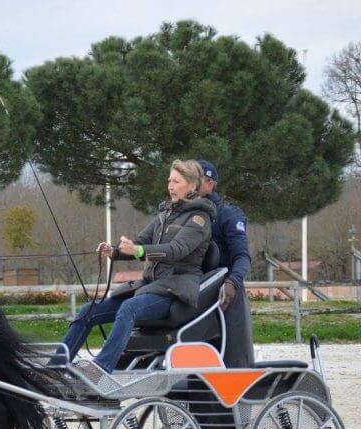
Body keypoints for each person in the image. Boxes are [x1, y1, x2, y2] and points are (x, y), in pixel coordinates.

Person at [56, 159, 215, 380]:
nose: (170, 185)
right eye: (169, 180)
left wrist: (139, 251)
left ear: (191, 186)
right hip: (149, 288)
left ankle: (100, 370)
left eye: (176, 181)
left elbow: (176, 250)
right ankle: (55, 368)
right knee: (86, 312)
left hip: (173, 292)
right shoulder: (165, 215)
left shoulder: (200, 219)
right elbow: (138, 242)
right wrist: (114, 251)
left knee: (129, 308)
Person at [197, 160, 255, 368]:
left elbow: (242, 256)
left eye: (196, 179)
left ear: (210, 184)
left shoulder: (228, 215)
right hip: (196, 296)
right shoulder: (184, 215)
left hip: (224, 298)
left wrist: (232, 282)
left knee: (233, 366)